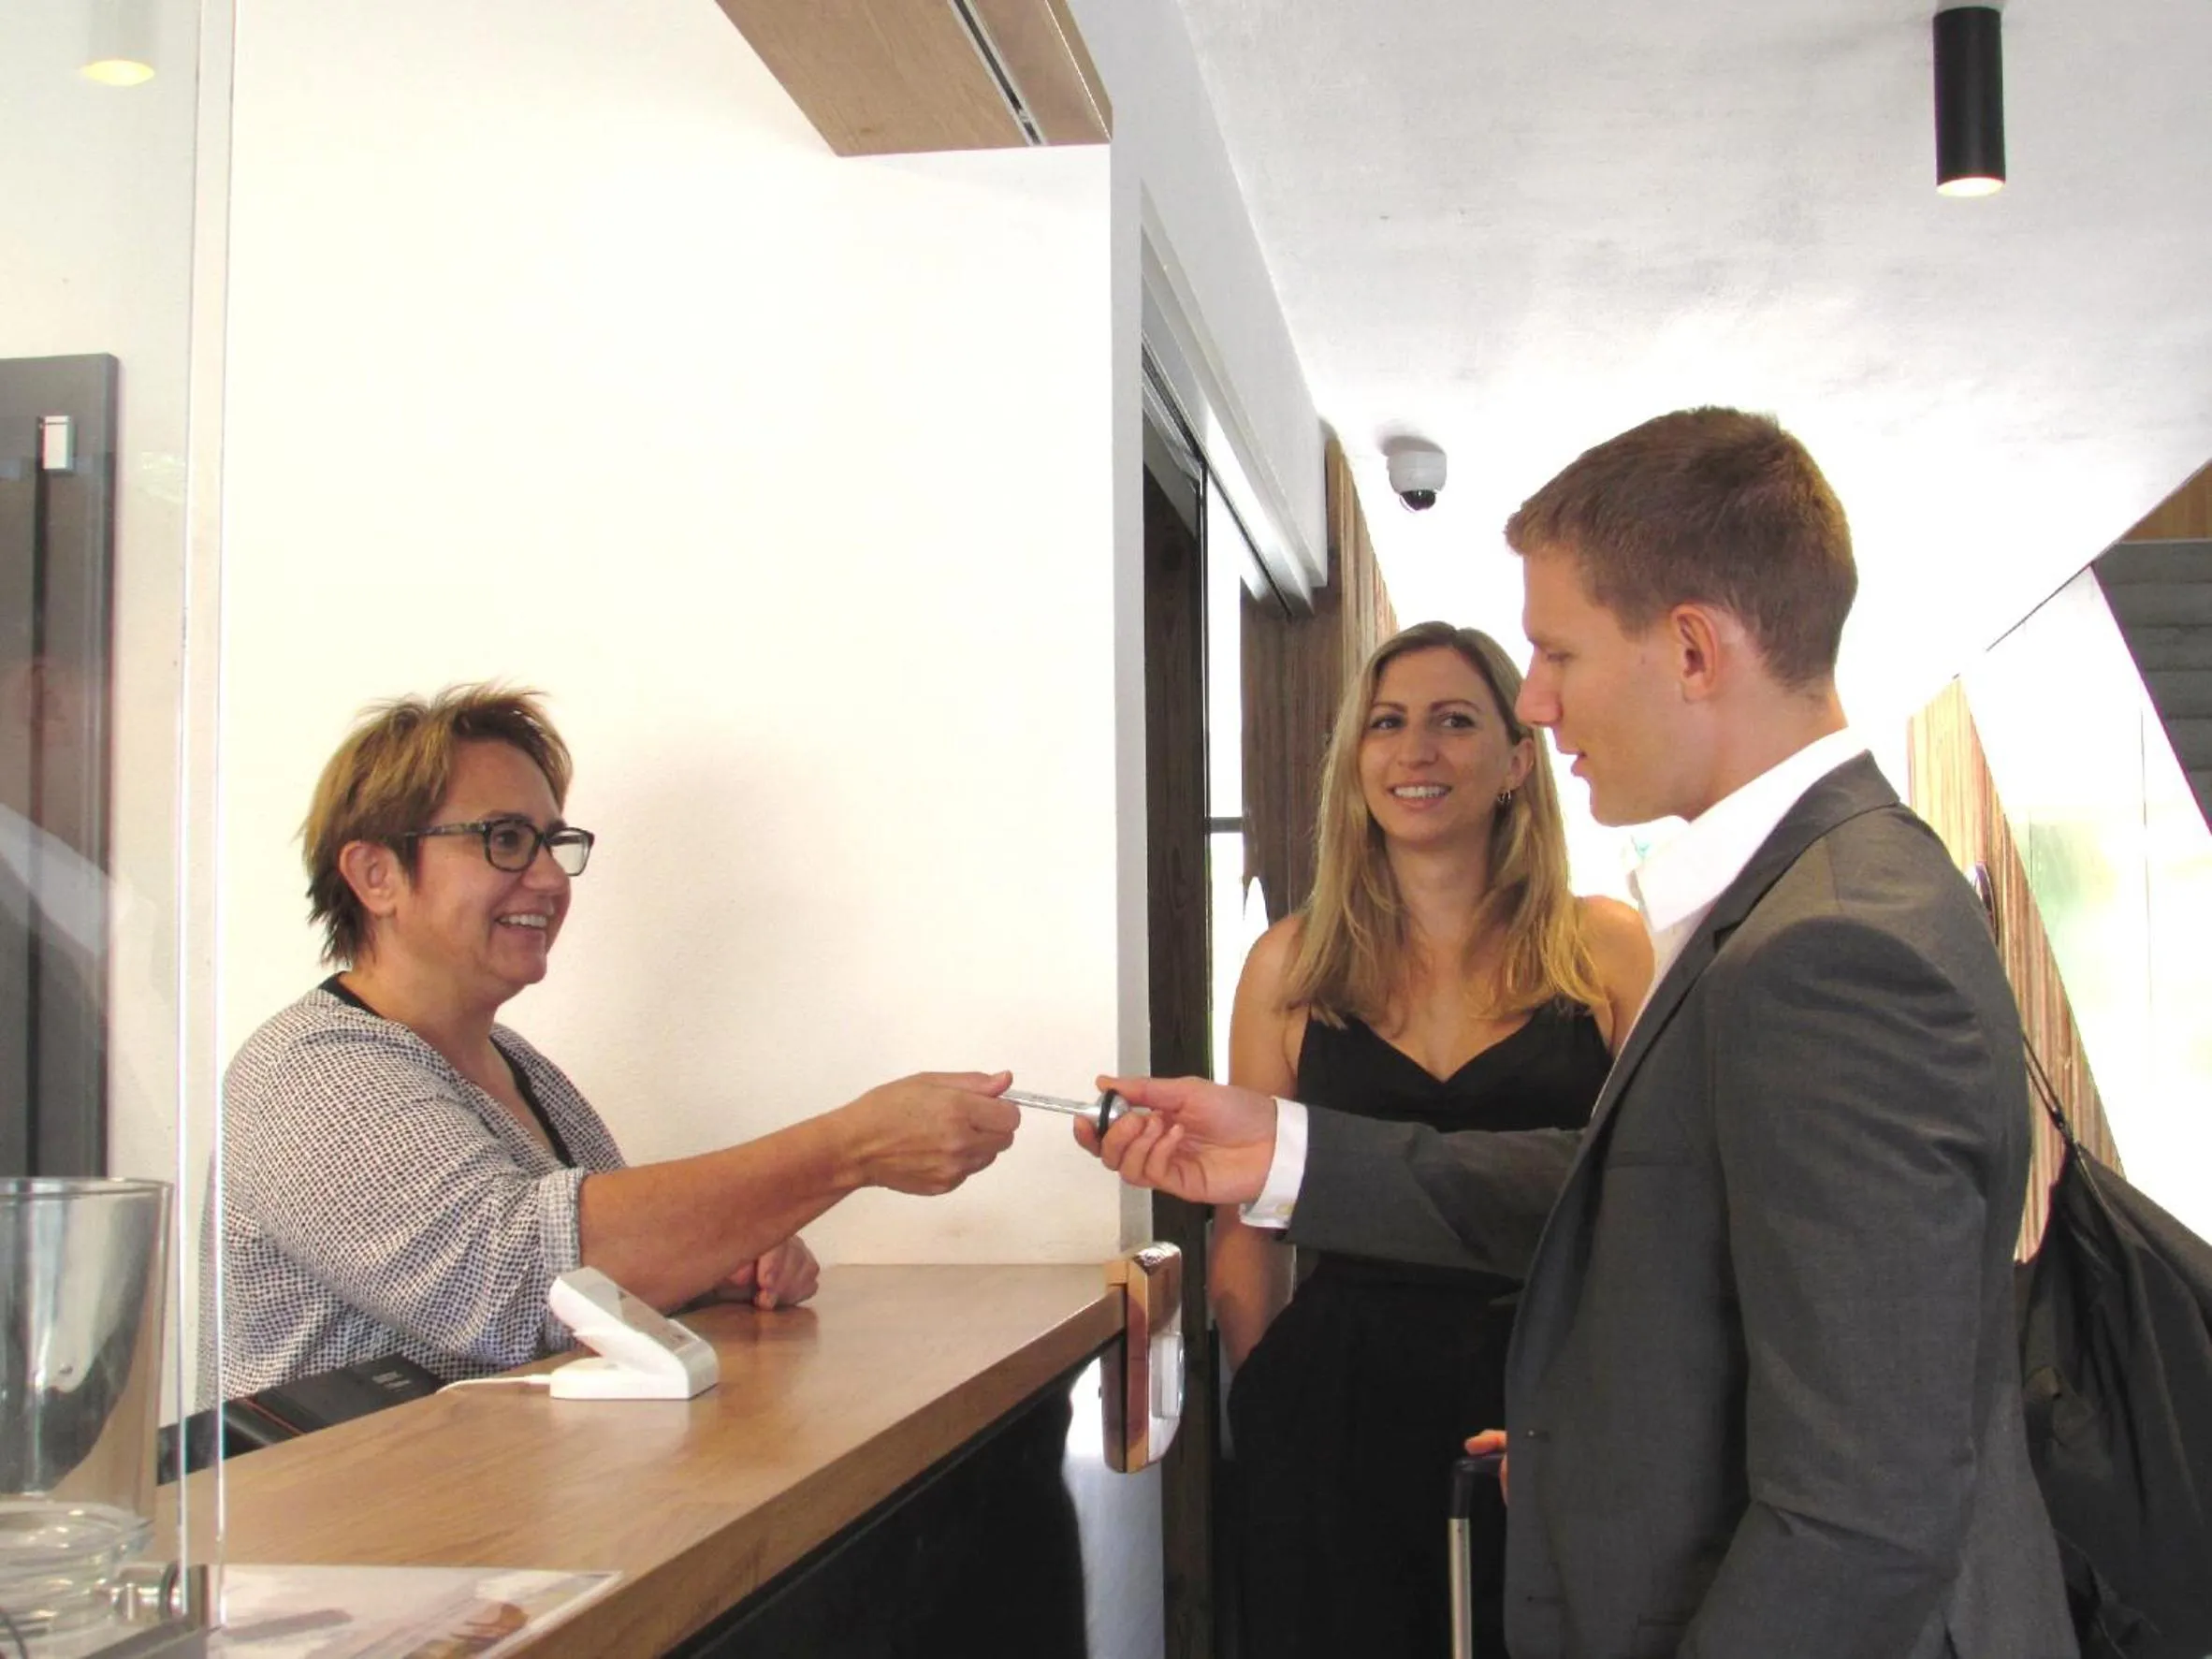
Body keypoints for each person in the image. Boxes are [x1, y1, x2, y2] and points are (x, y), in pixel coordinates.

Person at [1086, 409, 2077, 1658]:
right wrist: (1285, 1153)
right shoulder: (1808, 900)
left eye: (1556, 653)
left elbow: (1861, 1518)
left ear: (1694, 651)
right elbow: (1655, 1192)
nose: (1537, 703)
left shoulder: (1838, 947)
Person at [208, 685, 1022, 1398]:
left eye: (553, 842)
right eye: (503, 839)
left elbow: (598, 1292)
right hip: (352, 1555)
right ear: (375, 874)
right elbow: (518, 1284)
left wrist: (721, 1265)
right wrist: (849, 1150)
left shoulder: (521, 1068)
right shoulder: (307, 1072)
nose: (552, 879)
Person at [1212, 619, 1648, 1658]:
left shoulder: (1606, 951)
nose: (1416, 752)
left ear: (1514, 759)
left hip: (1546, 1394)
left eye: (1455, 722)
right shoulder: (1291, 965)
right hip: (1335, 1401)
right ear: (1355, 760)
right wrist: (1263, 1396)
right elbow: (1247, 1220)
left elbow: (1652, 1203)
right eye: (1387, 724)